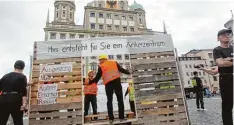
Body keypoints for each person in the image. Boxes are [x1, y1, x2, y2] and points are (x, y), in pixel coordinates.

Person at [200, 29, 233, 125]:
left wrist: (228, 59)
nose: (226, 36)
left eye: (228, 34)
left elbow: (216, 70)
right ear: (218, 38)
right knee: (228, 105)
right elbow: (221, 63)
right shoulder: (217, 50)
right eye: (223, 35)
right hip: (226, 79)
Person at [89, 54, 132, 124]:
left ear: (104, 59)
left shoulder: (101, 66)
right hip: (117, 83)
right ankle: (121, 117)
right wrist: (129, 72)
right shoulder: (114, 62)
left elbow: (97, 78)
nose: (99, 61)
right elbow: (121, 70)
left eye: (100, 60)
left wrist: (91, 82)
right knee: (120, 100)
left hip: (109, 85)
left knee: (109, 101)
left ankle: (111, 119)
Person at [0, 60, 27, 125]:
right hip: (16, 99)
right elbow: (24, 92)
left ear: (14, 67)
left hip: (3, 99)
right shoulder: (22, 77)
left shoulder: (5, 76)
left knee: (2, 121)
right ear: (23, 68)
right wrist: (24, 105)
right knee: (18, 121)